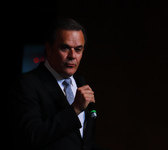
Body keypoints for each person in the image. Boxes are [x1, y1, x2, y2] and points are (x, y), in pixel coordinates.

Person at [8, 18, 107, 150]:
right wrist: (75, 109)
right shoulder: (27, 84)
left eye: (78, 49)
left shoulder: (80, 84)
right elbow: (30, 137)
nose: (72, 56)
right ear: (49, 48)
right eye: (65, 48)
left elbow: (82, 143)